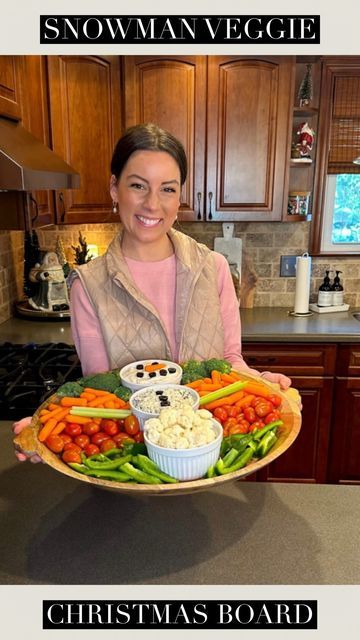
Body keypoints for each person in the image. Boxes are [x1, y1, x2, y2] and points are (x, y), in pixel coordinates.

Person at [13, 123, 292, 463]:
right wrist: (51, 429)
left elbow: (230, 362)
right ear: (115, 188)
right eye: (138, 186)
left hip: (208, 456)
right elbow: (101, 389)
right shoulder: (88, 285)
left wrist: (262, 383)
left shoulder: (214, 268)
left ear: (180, 195)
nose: (152, 204)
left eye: (168, 189)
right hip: (132, 462)